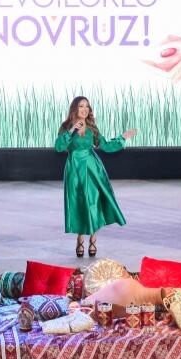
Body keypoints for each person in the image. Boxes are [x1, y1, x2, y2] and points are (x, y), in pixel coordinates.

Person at [54, 96, 136, 258]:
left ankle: (93, 239)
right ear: (75, 108)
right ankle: (79, 239)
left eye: (87, 106)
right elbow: (59, 147)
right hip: (74, 169)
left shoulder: (92, 127)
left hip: (93, 168)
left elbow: (105, 146)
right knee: (78, 202)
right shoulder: (66, 127)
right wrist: (71, 130)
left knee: (93, 201)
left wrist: (123, 138)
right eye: (81, 106)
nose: (84, 109)